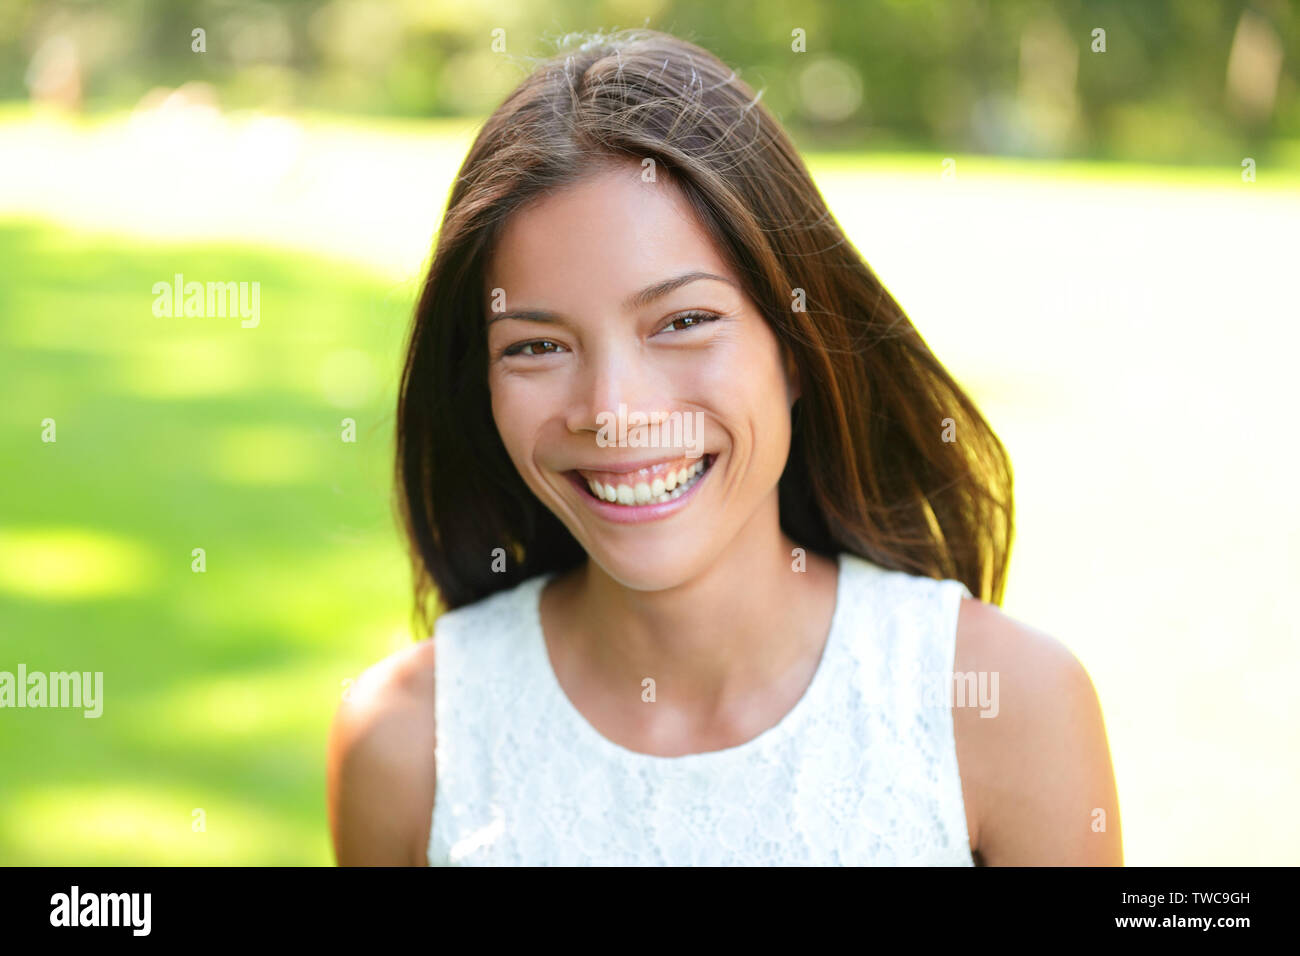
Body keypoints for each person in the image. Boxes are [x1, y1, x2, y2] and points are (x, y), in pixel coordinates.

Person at [327, 29, 1121, 866]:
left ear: (798, 347)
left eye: (683, 323)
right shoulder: (409, 743)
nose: (616, 413)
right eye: (537, 346)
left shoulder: (1006, 709)